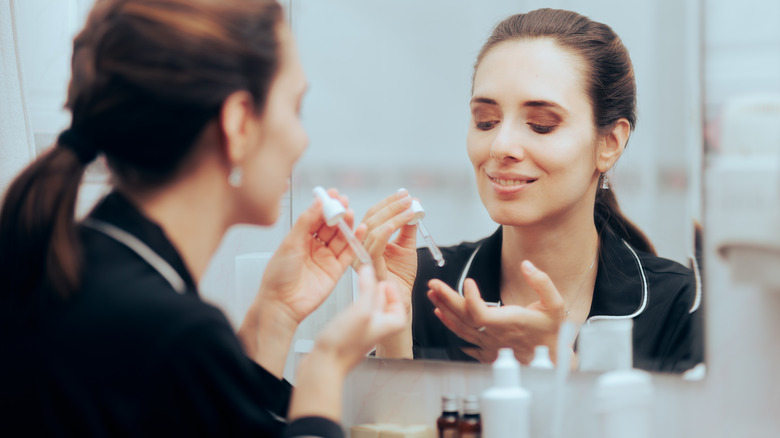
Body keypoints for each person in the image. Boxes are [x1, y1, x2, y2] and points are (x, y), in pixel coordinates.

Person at [0, 0, 405, 436]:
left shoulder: (73, 268)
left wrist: (275, 316)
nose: (301, 140)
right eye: (295, 107)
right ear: (238, 124)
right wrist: (324, 367)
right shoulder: (172, 335)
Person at [360, 8, 703, 373]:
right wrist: (393, 330)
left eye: (541, 125)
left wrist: (560, 367)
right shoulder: (425, 286)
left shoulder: (680, 305)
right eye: (486, 121)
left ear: (609, 143)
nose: (500, 146)